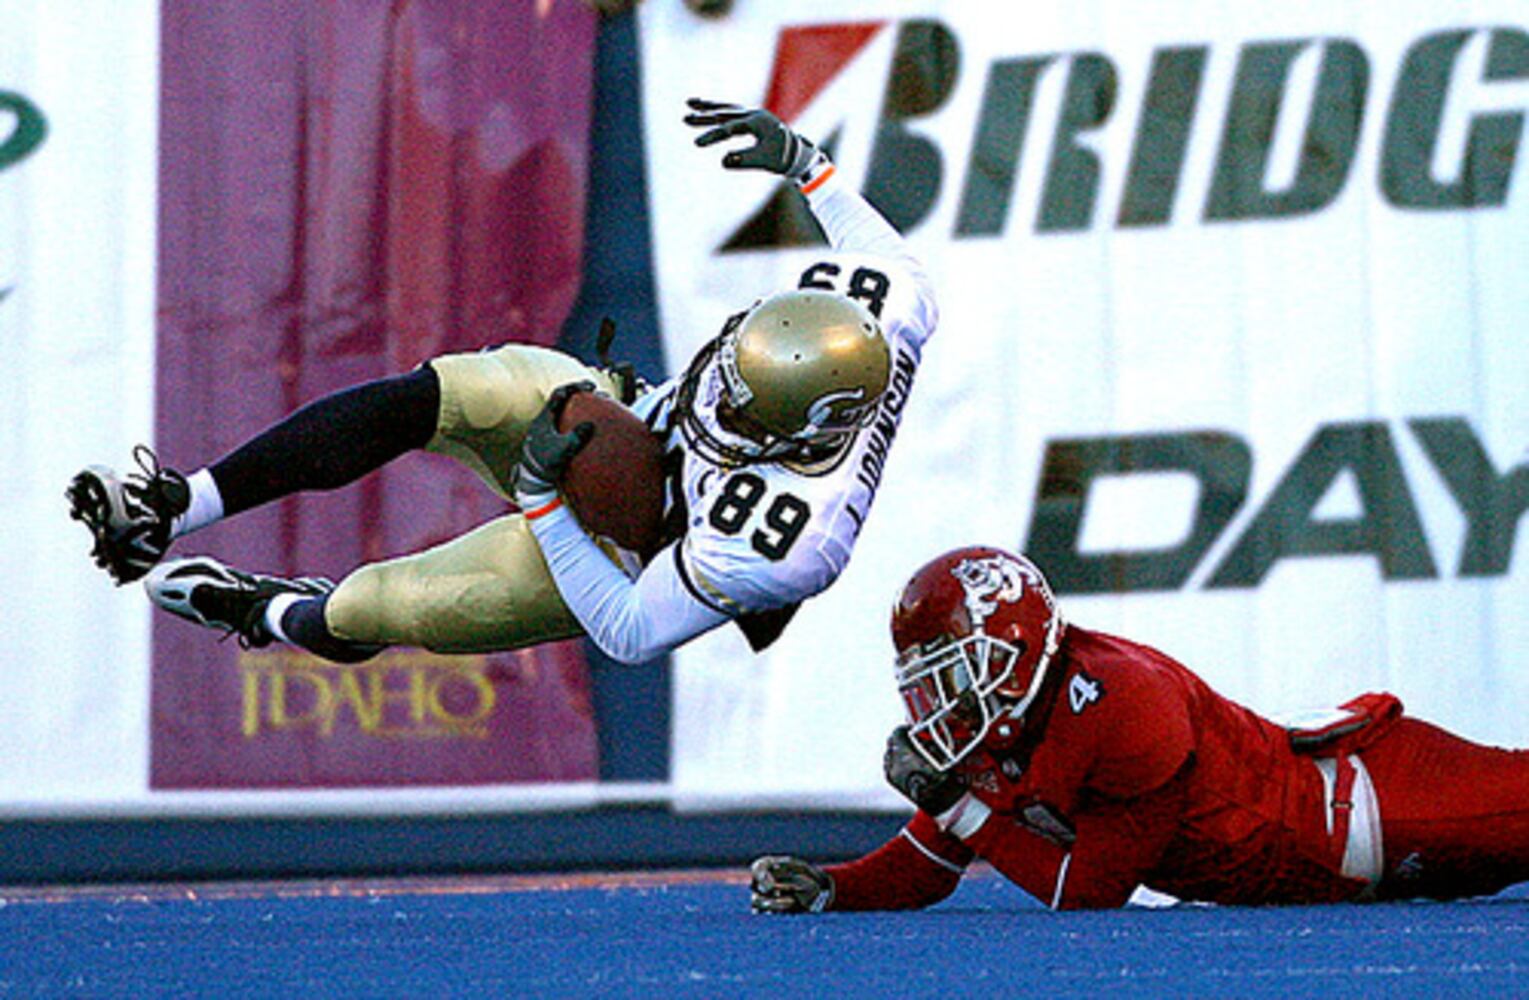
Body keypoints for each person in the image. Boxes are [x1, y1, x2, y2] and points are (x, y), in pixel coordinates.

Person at [66, 99, 938, 665]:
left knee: (378, 607)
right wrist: (809, 166)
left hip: (624, 547)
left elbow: (631, 633)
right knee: (467, 392)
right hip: (617, 425)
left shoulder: (794, 537)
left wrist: (545, 502)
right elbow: (884, 255)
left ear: (796, 435)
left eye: (743, 408)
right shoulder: (876, 310)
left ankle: (272, 615)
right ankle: (173, 506)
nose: (723, 396)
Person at [749, 544, 1529, 913]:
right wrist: (833, 889)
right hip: (1316, 865)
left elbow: (1087, 893)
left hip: (1365, 812)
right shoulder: (999, 728)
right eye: (930, 682)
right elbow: (927, 864)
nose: (941, 701)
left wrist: (957, 806)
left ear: (1016, 651)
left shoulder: (1123, 703)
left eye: (956, 673)